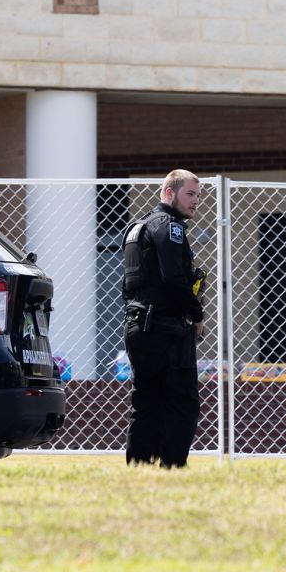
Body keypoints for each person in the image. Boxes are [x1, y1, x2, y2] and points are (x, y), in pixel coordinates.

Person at [121, 169, 206, 467]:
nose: (196, 202)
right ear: (169, 193)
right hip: (165, 327)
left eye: (198, 195)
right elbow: (173, 277)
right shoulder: (170, 227)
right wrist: (196, 314)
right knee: (182, 403)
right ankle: (172, 468)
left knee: (146, 402)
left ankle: (138, 467)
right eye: (190, 194)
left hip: (137, 324)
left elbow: (129, 284)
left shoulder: (137, 227)